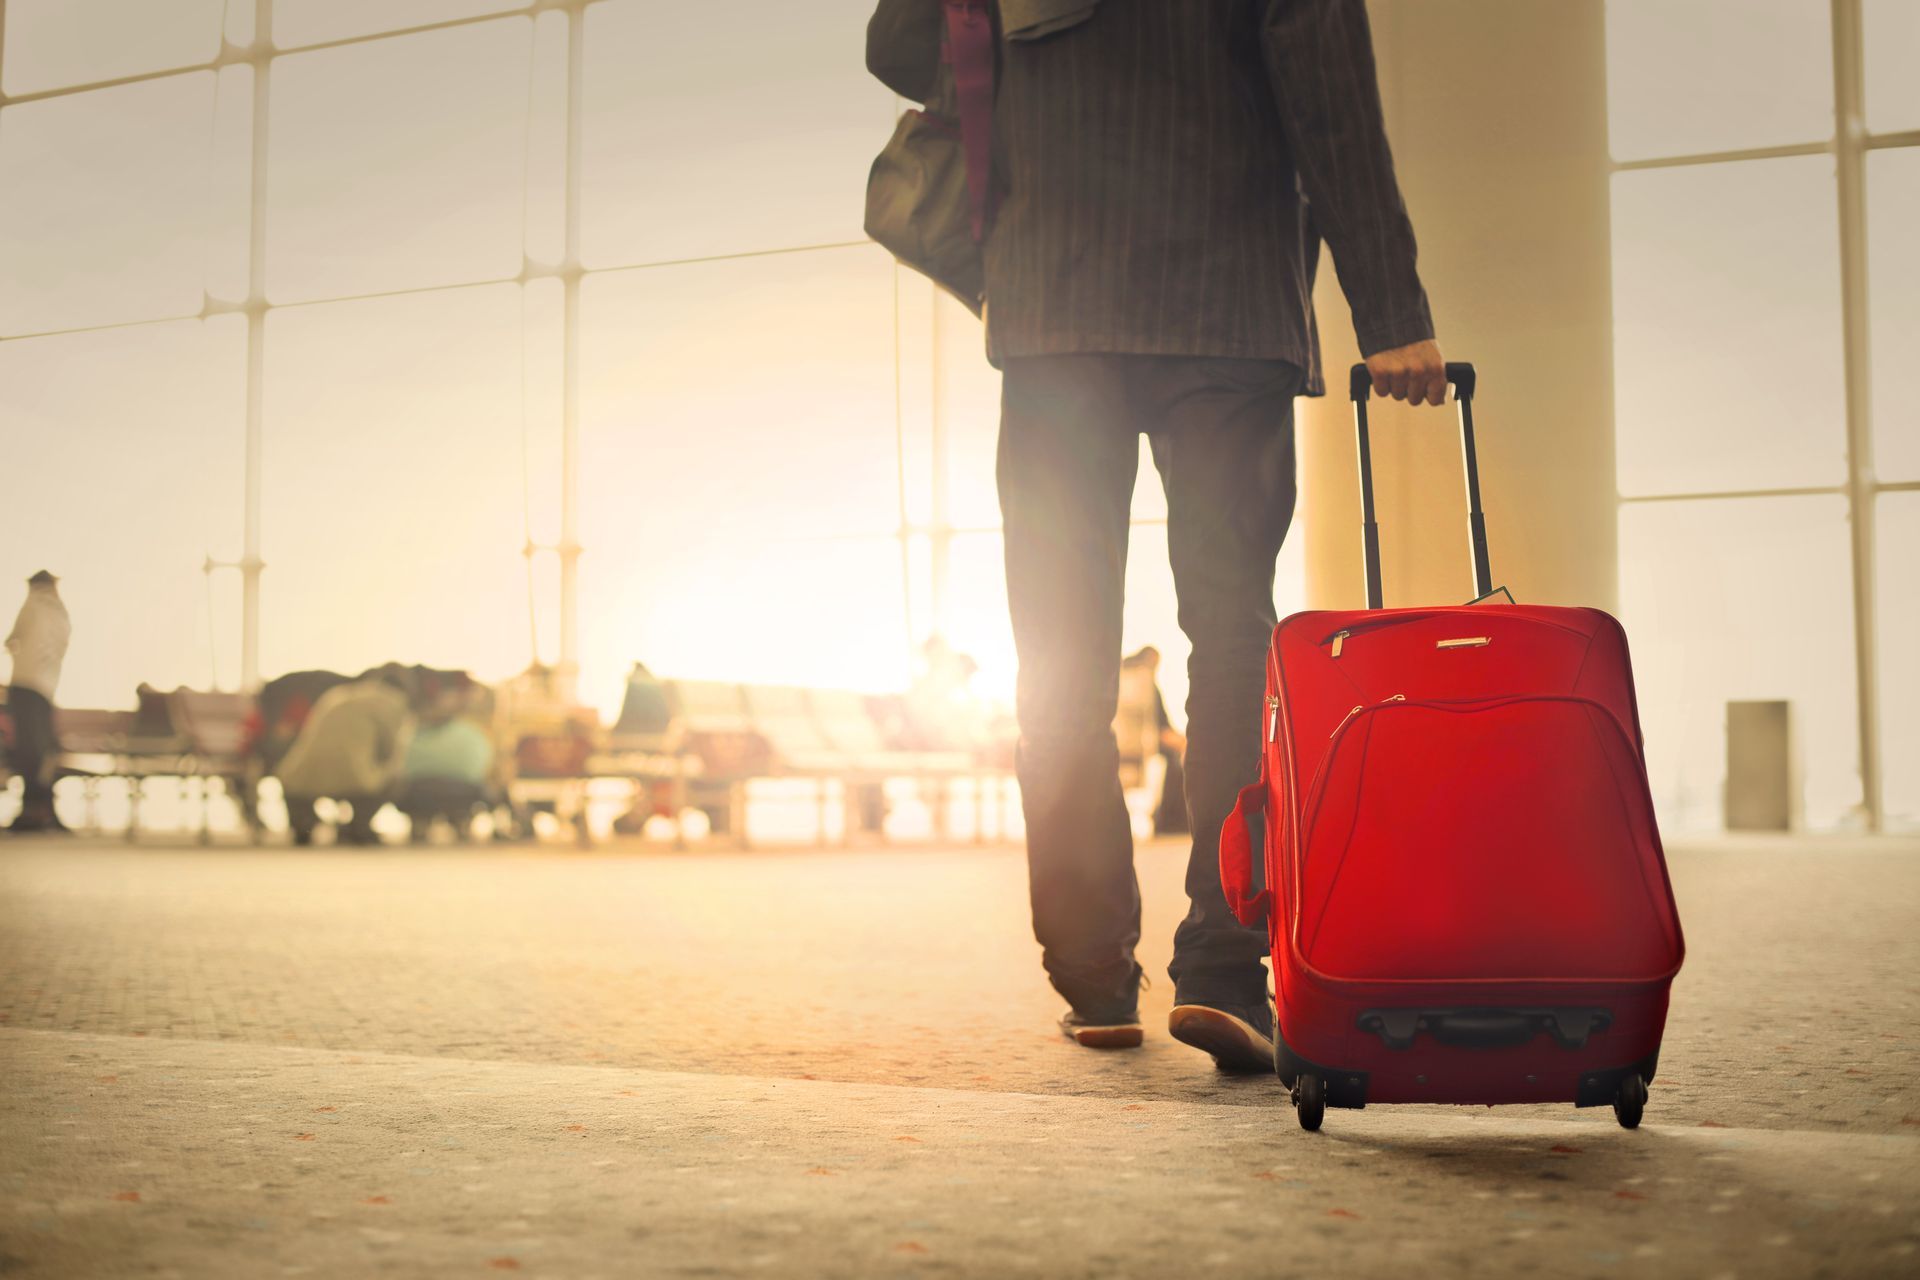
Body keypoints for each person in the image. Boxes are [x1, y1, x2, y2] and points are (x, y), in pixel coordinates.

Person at [872, 0, 1447, 1064]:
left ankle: (1092, 971)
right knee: (1232, 635)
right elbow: (1331, 94)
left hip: (1054, 303)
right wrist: (1391, 309)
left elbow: (901, 42)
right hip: (1223, 300)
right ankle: (1226, 964)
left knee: (1058, 652)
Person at [274, 668, 416, 846]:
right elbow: (390, 750)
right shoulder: (393, 701)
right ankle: (359, 825)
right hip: (354, 777)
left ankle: (303, 821)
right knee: (395, 778)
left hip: (302, 776)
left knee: (295, 782)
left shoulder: (338, 694)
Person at [4, 571, 72, 834]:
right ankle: (42, 810)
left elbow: (12, 639)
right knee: (43, 750)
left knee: (28, 750)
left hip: (25, 685)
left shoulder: (33, 604)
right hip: (46, 689)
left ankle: (32, 811)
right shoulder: (60, 613)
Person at [396, 681, 497, 842]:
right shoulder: (473, 732)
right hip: (465, 791)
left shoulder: (413, 732)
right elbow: (484, 768)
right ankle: (460, 820)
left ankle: (420, 822)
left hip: (418, 791)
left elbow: (401, 766)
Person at [1115, 646, 1188, 837]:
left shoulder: (1117, 682)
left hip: (1119, 746)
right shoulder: (1144, 684)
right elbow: (1161, 728)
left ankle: (1167, 819)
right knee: (1179, 758)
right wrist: (1184, 742)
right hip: (1149, 742)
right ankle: (1171, 821)